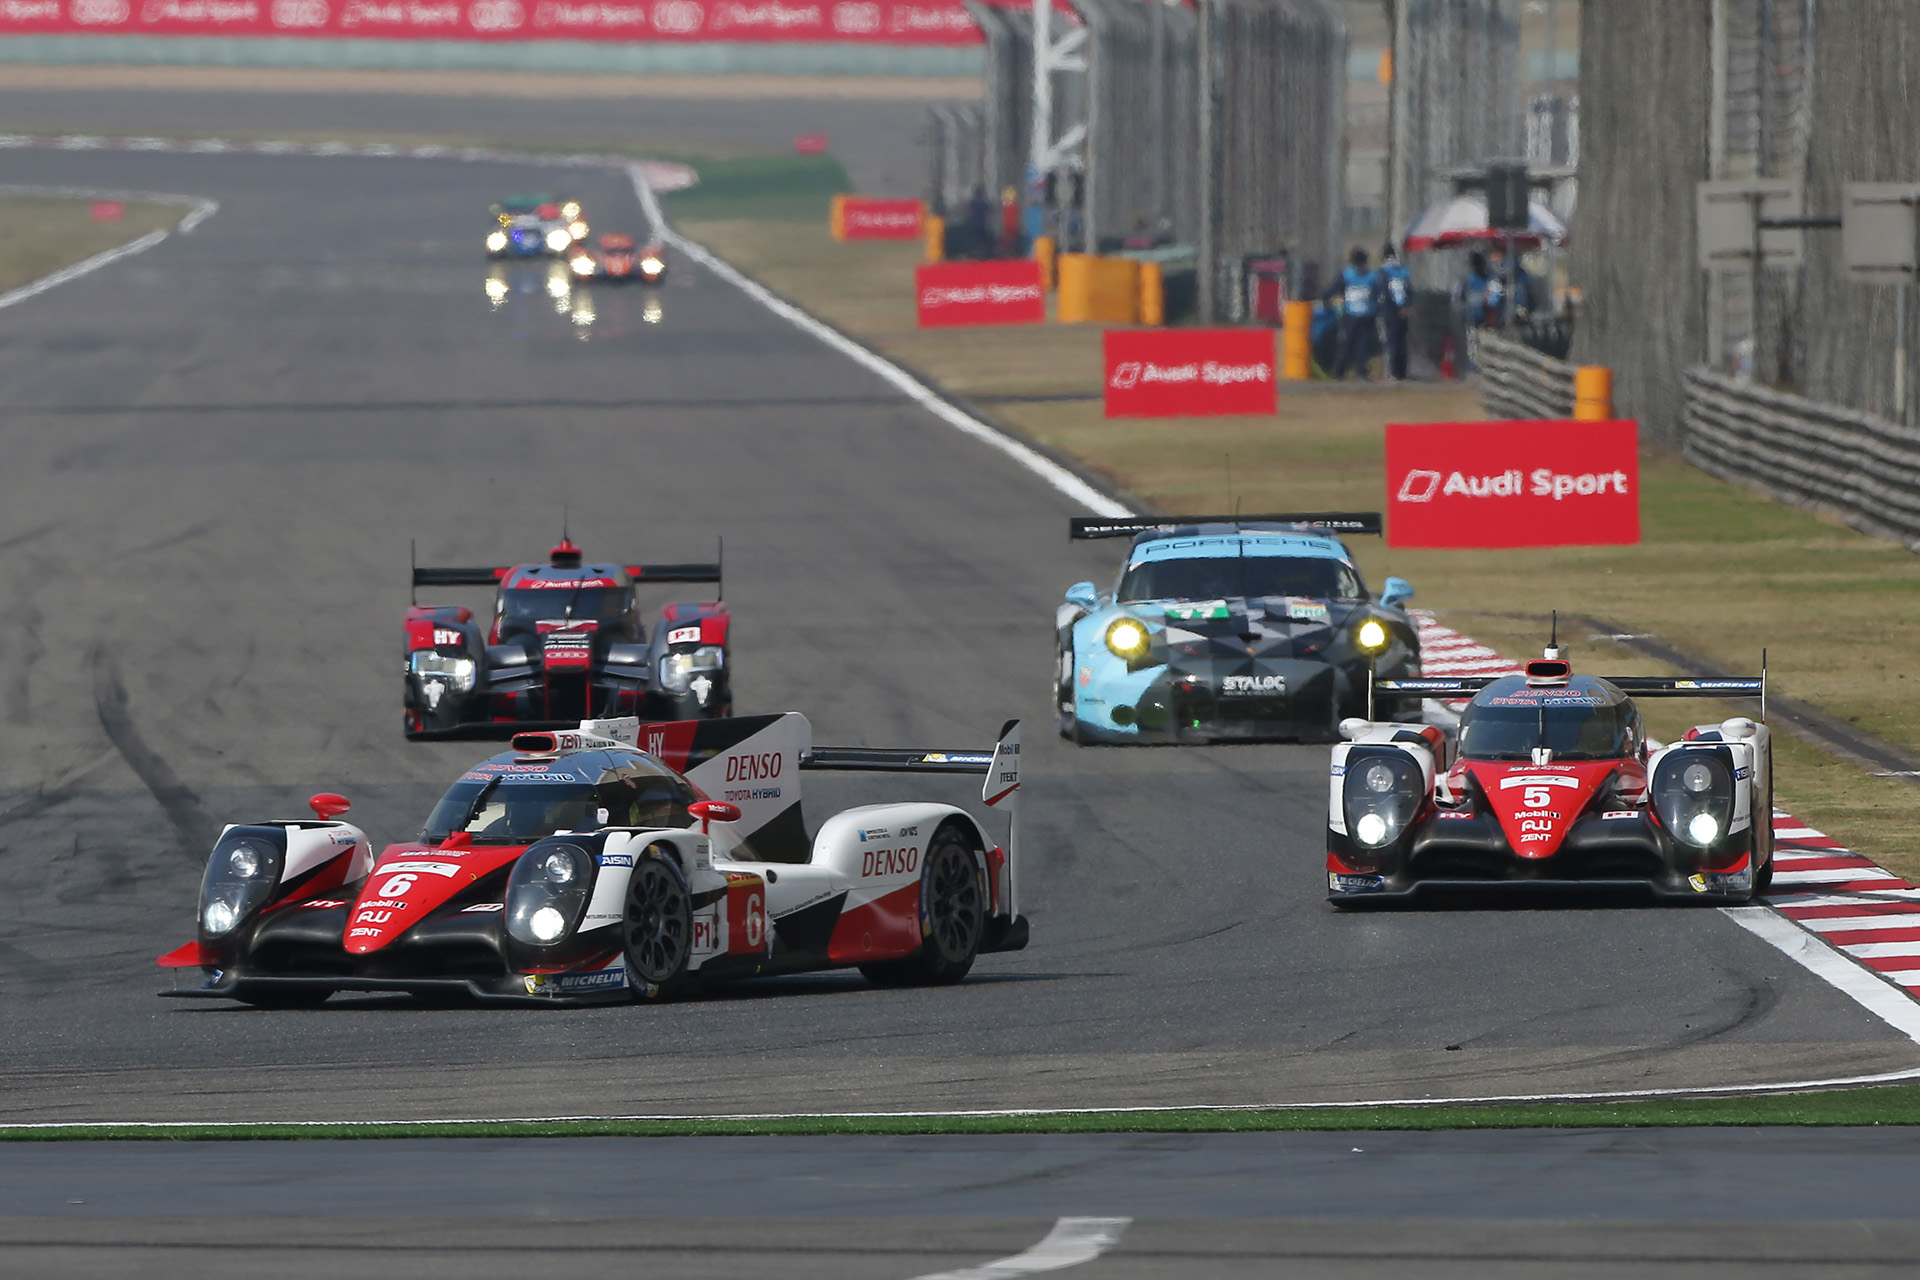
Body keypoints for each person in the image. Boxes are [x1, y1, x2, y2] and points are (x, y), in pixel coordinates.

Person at [1322, 247, 1381, 380]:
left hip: (1353, 315)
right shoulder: (1372, 276)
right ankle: (1360, 373)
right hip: (1366, 315)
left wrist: (1326, 300)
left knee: (1347, 344)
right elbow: (1379, 294)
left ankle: (1340, 373)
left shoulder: (1347, 275)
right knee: (1361, 344)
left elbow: (1331, 290)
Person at [1380, 241, 1412, 381]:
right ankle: (1402, 372)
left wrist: (1395, 308)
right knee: (1402, 341)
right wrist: (1406, 307)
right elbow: (1410, 291)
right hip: (1403, 310)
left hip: (1390, 311)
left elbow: (1384, 293)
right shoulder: (1403, 271)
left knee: (1391, 342)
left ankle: (1392, 372)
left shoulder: (1383, 271)